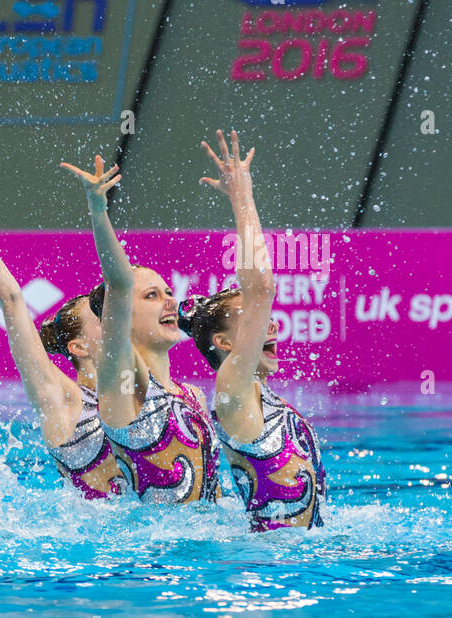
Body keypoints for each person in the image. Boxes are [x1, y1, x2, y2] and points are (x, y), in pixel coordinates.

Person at [0, 147, 120, 499]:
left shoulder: (140, 391)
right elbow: (11, 299)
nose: (114, 321)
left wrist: (100, 212)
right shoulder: (62, 397)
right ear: (78, 347)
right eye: (100, 318)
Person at [61, 154, 220, 503]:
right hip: (154, 555)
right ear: (121, 319)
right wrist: (98, 210)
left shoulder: (192, 394)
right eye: (151, 296)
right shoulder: (123, 384)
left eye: (168, 293)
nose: (168, 302)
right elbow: (118, 285)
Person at [187, 130, 326, 530]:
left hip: (298, 561)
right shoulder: (231, 388)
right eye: (253, 319)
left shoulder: (259, 396)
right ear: (226, 343)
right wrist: (241, 198)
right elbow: (262, 286)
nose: (271, 324)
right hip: (271, 565)